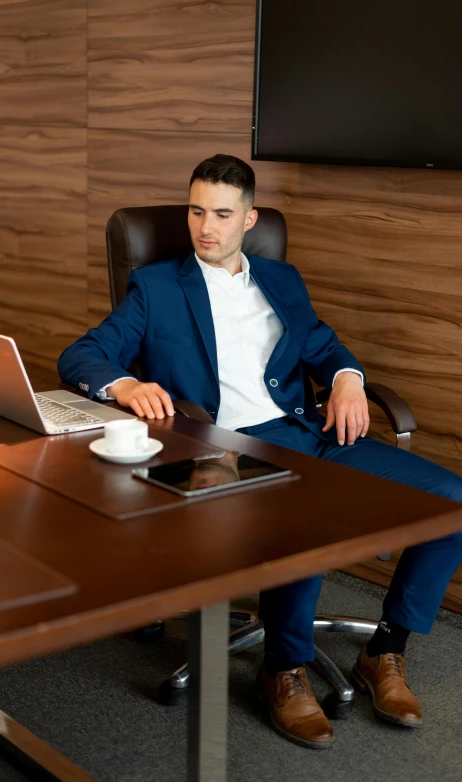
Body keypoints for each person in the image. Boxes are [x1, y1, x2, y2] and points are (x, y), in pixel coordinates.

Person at [58, 154, 462, 749]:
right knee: (303, 522)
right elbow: (82, 355)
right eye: (196, 211)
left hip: (307, 433)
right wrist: (125, 383)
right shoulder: (159, 286)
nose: (205, 227)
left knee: (449, 500)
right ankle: (282, 668)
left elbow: (323, 345)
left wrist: (348, 375)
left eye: (222, 213)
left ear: (249, 219)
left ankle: (385, 650)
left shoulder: (281, 280)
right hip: (226, 451)